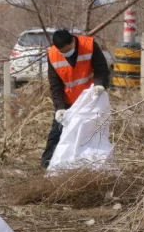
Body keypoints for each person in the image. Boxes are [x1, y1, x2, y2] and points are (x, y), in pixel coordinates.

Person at [40, 29, 110, 168]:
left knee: (89, 133)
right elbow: (55, 84)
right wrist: (59, 107)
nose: (66, 54)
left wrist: (100, 84)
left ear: (73, 40)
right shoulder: (53, 54)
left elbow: (101, 69)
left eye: (68, 50)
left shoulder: (89, 45)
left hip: (89, 100)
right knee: (57, 133)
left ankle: (88, 165)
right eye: (63, 52)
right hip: (68, 101)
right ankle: (47, 166)